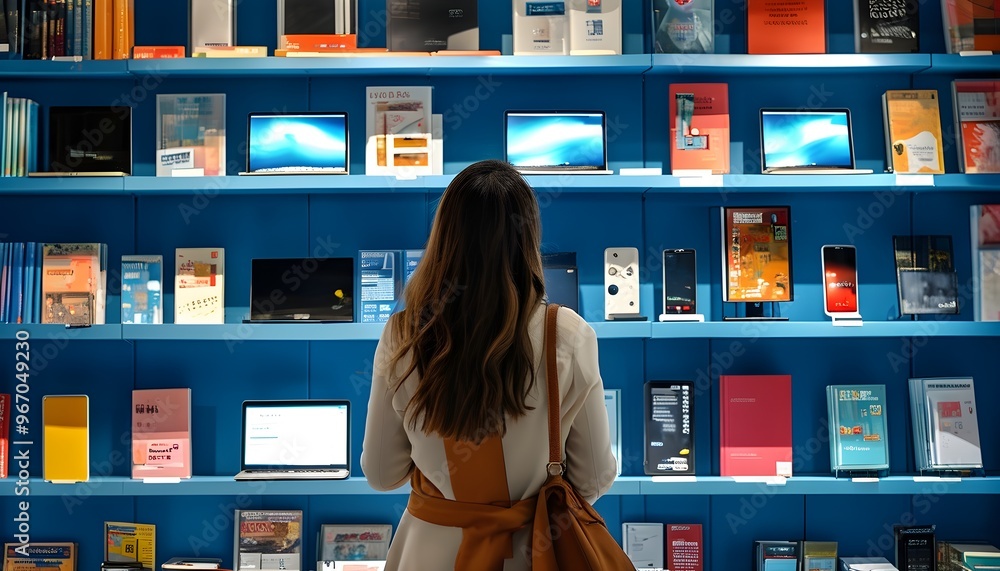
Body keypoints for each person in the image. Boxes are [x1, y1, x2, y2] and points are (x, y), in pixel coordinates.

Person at [361, 159, 618, 570]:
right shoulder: (567, 333)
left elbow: (381, 472)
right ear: (528, 237)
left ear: (445, 236)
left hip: (430, 553)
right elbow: (594, 478)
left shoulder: (404, 333)